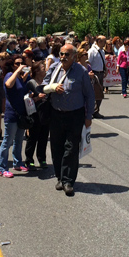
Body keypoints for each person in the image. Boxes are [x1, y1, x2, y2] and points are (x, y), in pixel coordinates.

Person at [40, 44, 95, 196]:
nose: (63, 57)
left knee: (71, 148)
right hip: (55, 113)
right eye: (61, 54)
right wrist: (52, 88)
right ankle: (59, 177)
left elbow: (90, 95)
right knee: (57, 147)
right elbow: (43, 86)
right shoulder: (54, 68)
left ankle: (68, 181)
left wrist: (88, 116)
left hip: (75, 115)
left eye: (67, 54)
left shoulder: (81, 71)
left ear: (74, 57)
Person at [0, 56, 32, 177]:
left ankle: (17, 163)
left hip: (21, 113)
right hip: (11, 114)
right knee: (8, 141)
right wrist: (17, 71)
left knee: (18, 140)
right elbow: (8, 84)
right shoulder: (10, 75)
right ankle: (2, 168)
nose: (20, 65)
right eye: (17, 63)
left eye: (22, 63)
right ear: (12, 65)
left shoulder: (21, 78)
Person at [24, 62, 50, 170]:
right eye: (43, 69)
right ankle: (29, 160)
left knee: (43, 137)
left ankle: (42, 158)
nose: (45, 71)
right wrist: (36, 98)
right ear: (37, 71)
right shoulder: (31, 83)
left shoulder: (47, 82)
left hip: (46, 113)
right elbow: (27, 99)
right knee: (33, 138)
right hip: (35, 113)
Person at [87, 35, 107, 118]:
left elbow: (103, 61)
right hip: (94, 73)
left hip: (101, 73)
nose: (105, 43)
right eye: (104, 41)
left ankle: (96, 111)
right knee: (93, 93)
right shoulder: (92, 51)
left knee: (99, 93)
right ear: (99, 41)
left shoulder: (102, 51)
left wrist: (105, 70)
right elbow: (88, 62)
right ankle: (91, 111)